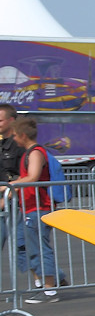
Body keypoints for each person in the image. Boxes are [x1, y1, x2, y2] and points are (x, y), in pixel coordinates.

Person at [9, 118, 66, 303]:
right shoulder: (30, 153)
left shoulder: (36, 153)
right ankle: (43, 283)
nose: (14, 138)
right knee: (26, 247)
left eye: (15, 135)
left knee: (40, 249)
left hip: (38, 208)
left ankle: (49, 290)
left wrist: (9, 185)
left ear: (23, 135)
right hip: (28, 207)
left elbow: (32, 176)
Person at [0, 104, 23, 262]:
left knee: (22, 247)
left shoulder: (19, 146)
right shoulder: (1, 145)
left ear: (11, 120)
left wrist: (5, 197)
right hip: (3, 202)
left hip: (15, 204)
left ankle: (50, 278)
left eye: (0, 120)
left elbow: (25, 177)